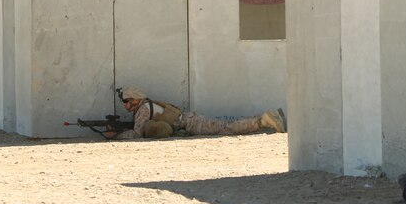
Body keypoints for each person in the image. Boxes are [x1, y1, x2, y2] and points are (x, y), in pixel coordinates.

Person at [106, 87, 286, 140]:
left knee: (227, 128)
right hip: (190, 121)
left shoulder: (143, 110)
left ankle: (263, 121)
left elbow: (138, 133)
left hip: (191, 124)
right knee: (226, 127)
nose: (125, 106)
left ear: (135, 100)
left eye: (126, 102)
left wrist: (115, 136)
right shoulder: (147, 106)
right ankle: (264, 119)